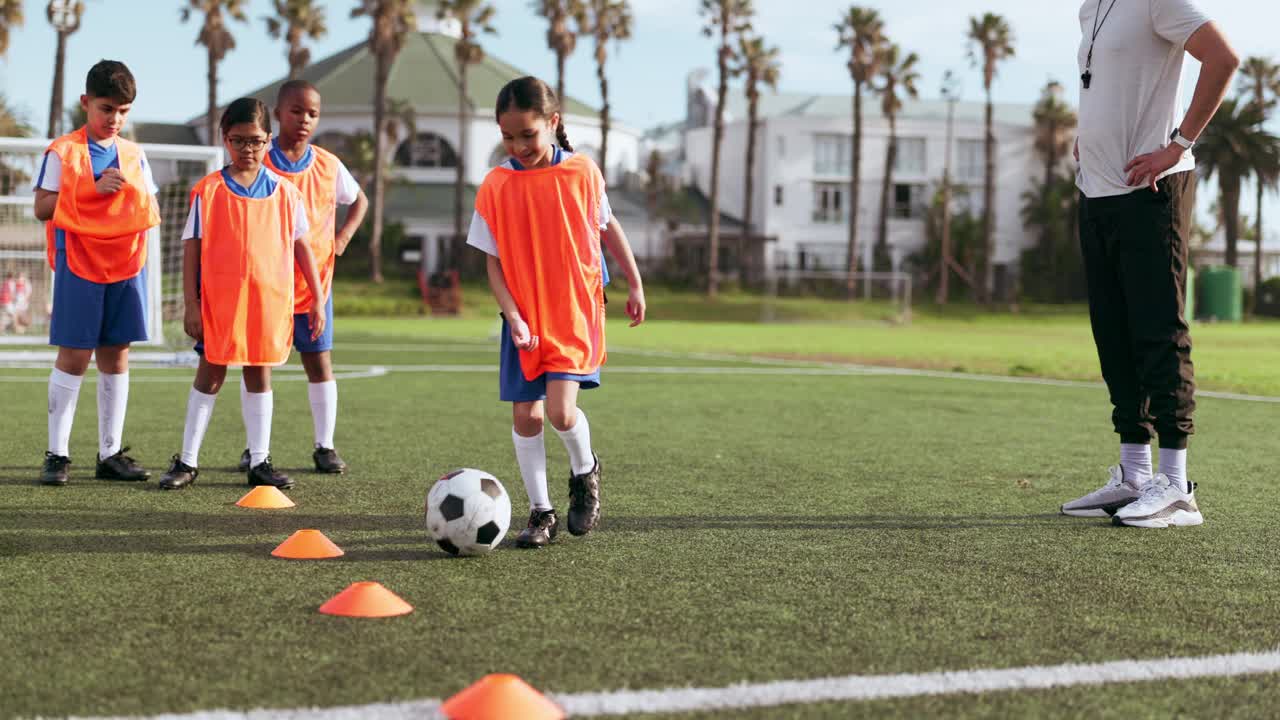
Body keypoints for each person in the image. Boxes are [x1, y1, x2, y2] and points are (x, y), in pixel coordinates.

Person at [1061, 0, 1238, 528]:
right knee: (1113, 333)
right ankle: (1135, 474)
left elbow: (1223, 58)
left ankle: (1177, 486)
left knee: (1158, 331)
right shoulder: (1092, 9)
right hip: (1096, 192)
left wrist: (1177, 144)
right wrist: (1088, 136)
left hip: (1151, 192)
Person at [468, 76, 646, 549]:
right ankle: (540, 512)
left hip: (571, 313)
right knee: (526, 417)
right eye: (508, 136)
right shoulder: (496, 184)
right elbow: (494, 263)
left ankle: (585, 471)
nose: (519, 145)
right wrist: (513, 316)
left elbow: (608, 229)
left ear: (553, 123)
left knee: (562, 414)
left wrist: (634, 281)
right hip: (522, 319)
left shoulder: (582, 173)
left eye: (528, 134)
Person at [158, 98, 326, 492]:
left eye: (255, 141)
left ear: (268, 140)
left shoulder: (286, 193)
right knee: (211, 374)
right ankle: (186, 460)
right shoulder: (208, 191)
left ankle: (260, 460)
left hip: (269, 303)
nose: (247, 149)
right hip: (221, 303)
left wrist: (317, 297)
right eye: (238, 140)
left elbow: (303, 248)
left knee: (259, 373)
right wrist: (192, 303)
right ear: (224, 140)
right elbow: (192, 249)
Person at [227, 79, 369, 475]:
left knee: (319, 364)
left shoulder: (328, 164)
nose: (305, 120)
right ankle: (256, 450)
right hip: (264, 287)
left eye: (313, 113)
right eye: (296, 111)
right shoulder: (258, 161)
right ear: (277, 113)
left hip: (314, 285)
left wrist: (343, 236)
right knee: (259, 366)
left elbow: (359, 199)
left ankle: (325, 446)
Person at [32, 60, 160, 486]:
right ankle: (57, 454)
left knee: (117, 355)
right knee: (74, 357)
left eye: (123, 111)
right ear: (86, 103)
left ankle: (110, 453)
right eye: (107, 108)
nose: (115, 119)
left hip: (125, 265)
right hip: (79, 264)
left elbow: (148, 207)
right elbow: (42, 207)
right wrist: (90, 189)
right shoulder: (63, 151)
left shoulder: (135, 155)